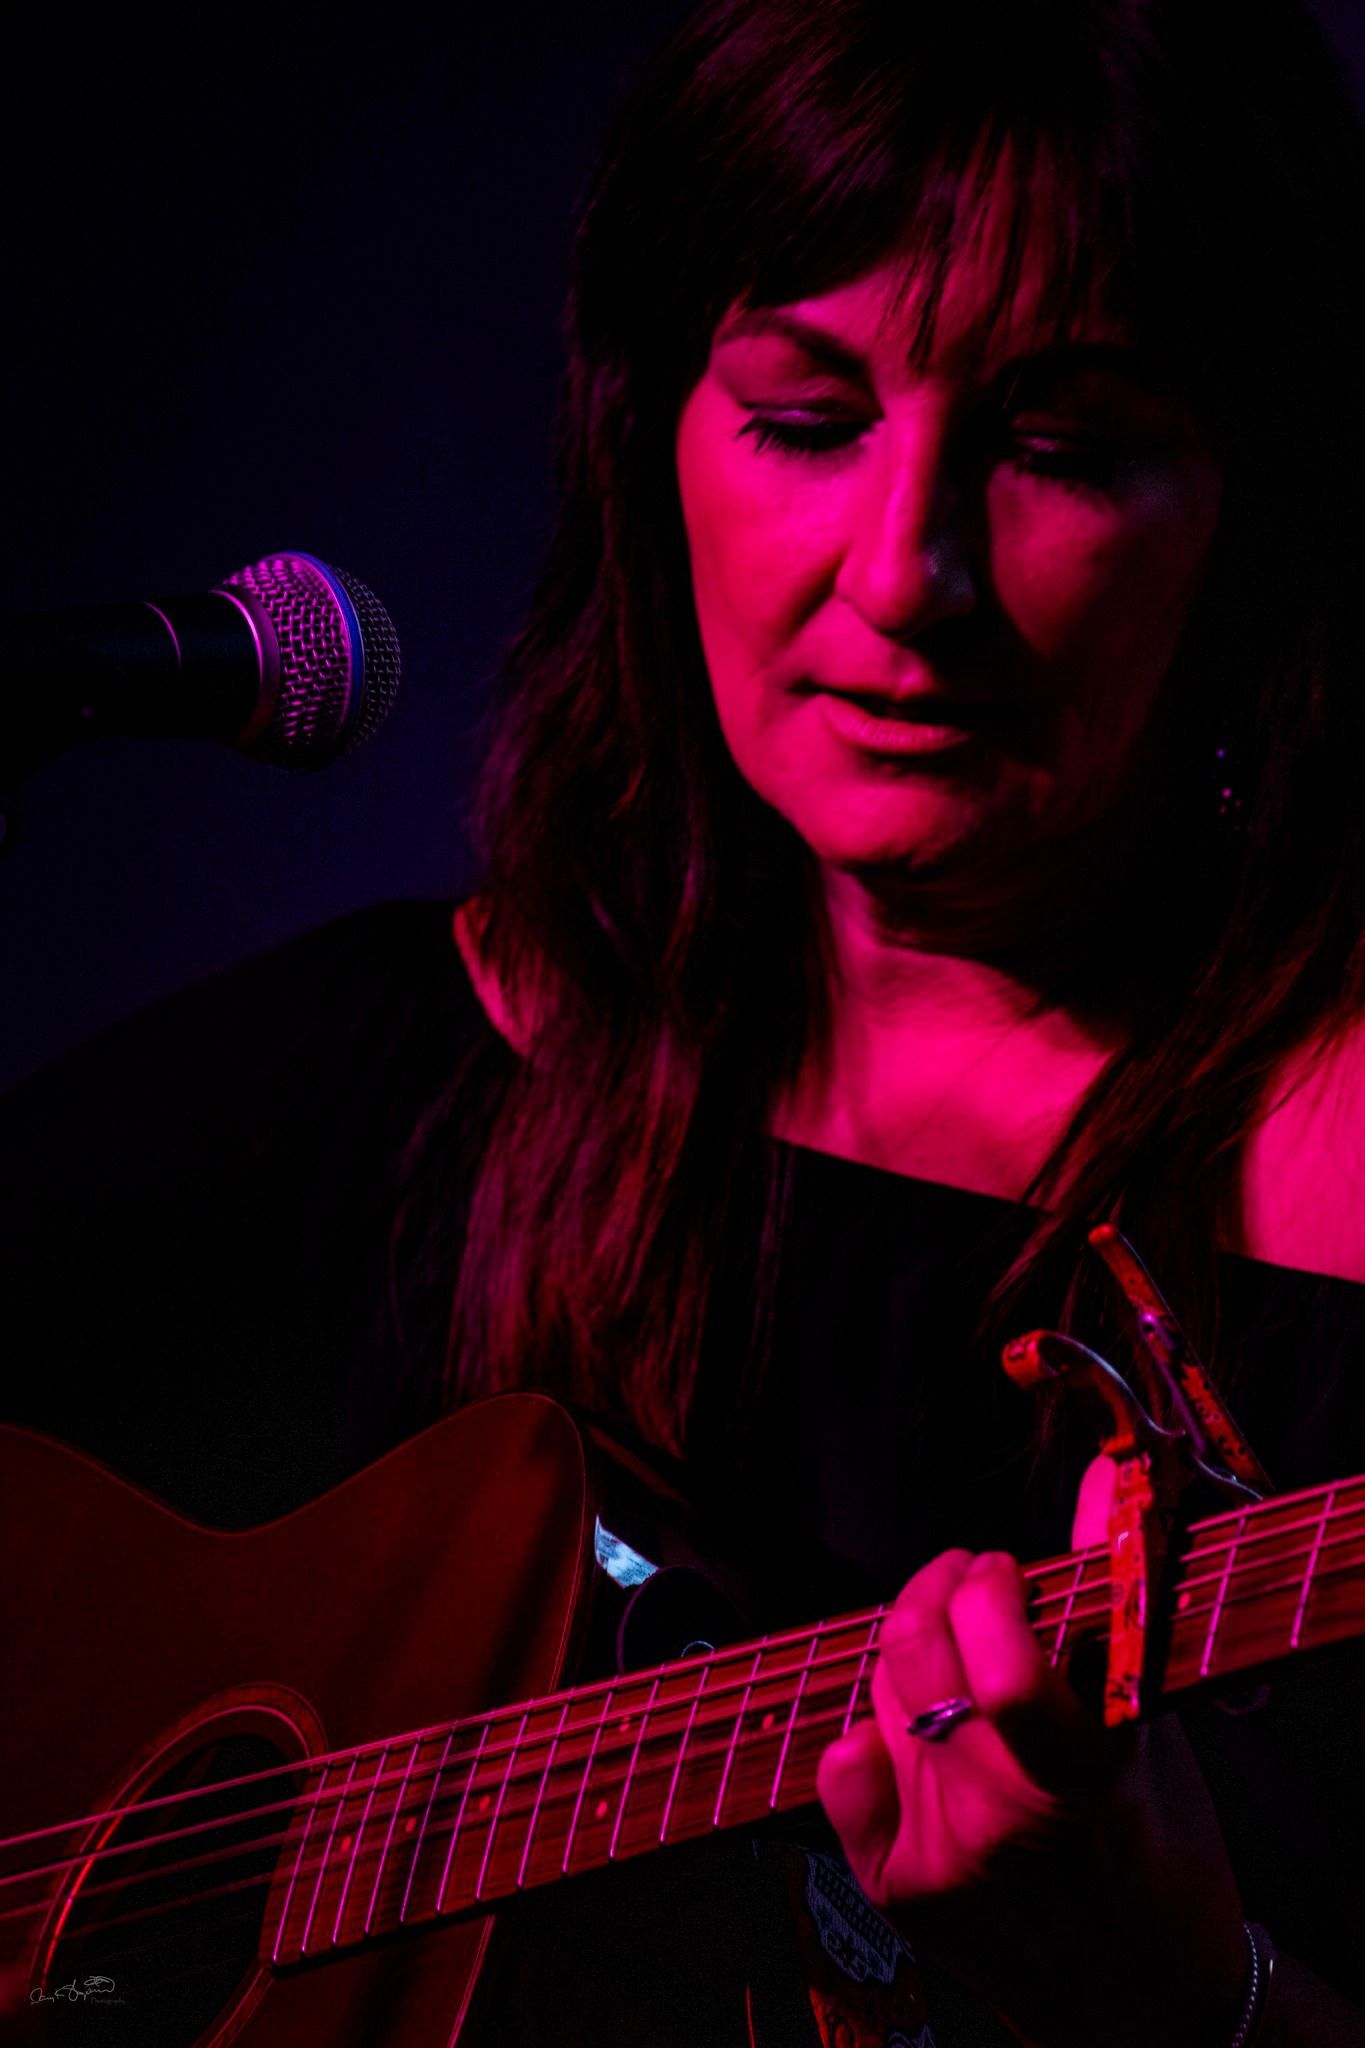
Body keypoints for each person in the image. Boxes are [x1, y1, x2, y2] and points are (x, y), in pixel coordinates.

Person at [4, 0, 1365, 2042]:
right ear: (652, 443)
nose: (904, 575)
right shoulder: (387, 1083)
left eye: (1058, 450)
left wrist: (1184, 1992)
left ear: (1249, 512)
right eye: (805, 420)